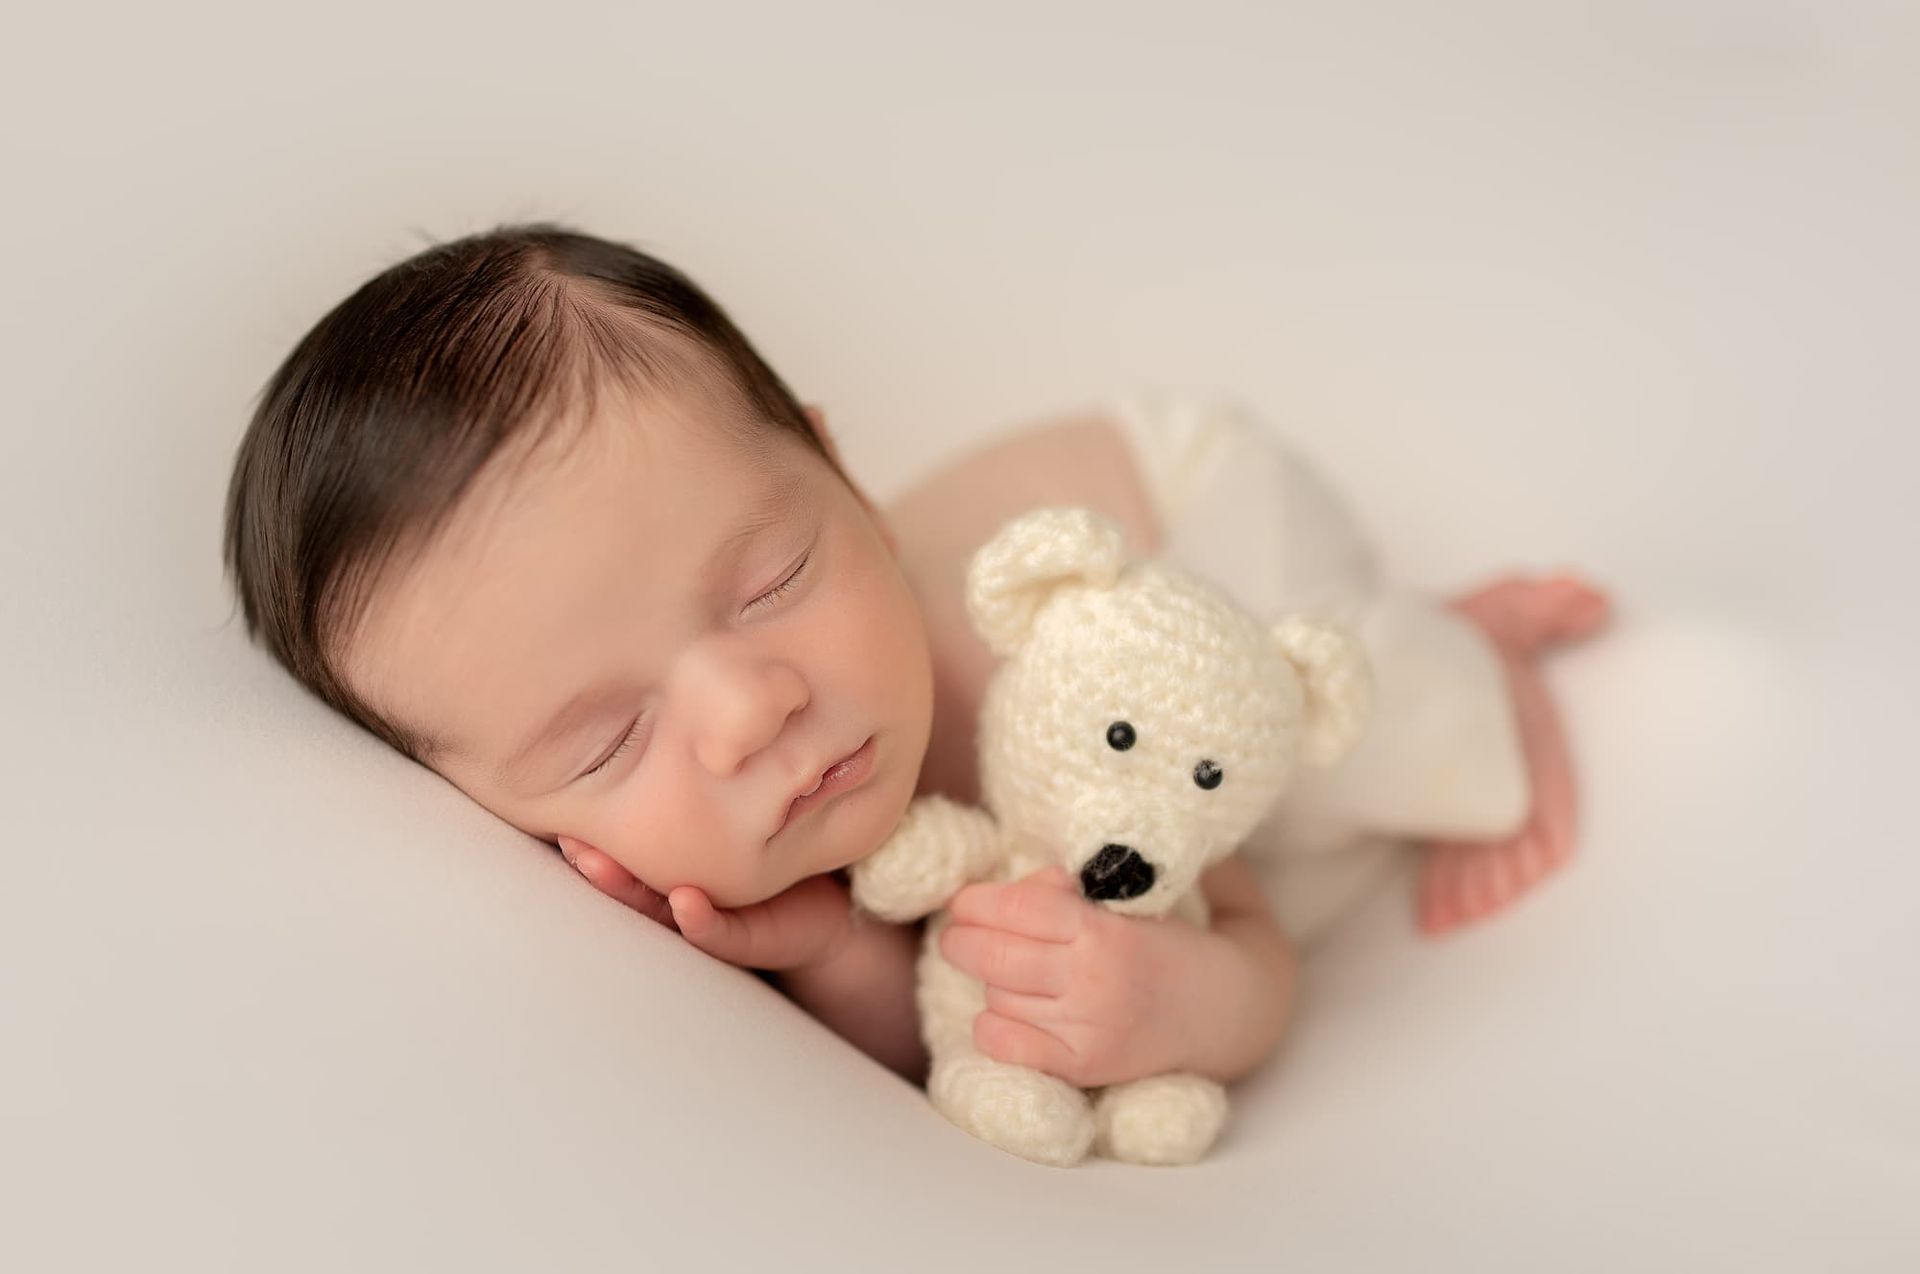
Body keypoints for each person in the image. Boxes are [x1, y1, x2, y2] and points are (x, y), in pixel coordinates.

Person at [222, 222, 1610, 1087]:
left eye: (771, 581)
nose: (749, 711)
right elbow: (933, 1021)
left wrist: (1189, 999)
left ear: (839, 470)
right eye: (606, 741)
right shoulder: (707, 866)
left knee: (1318, 750)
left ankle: (1480, 669)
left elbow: (1256, 962)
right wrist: (830, 952)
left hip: (1187, 514)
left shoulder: (1041, 688)